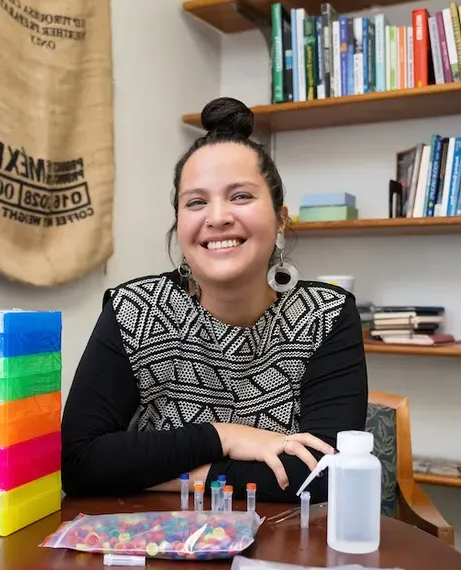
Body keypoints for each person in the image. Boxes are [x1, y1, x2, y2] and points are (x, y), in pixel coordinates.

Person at [60, 96, 367, 503]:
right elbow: (79, 463)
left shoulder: (325, 315)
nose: (217, 216)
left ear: (280, 219)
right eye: (196, 202)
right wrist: (224, 437)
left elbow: (324, 475)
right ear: (179, 223)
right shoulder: (133, 310)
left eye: (240, 196)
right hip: (154, 549)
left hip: (285, 550)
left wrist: (166, 472)